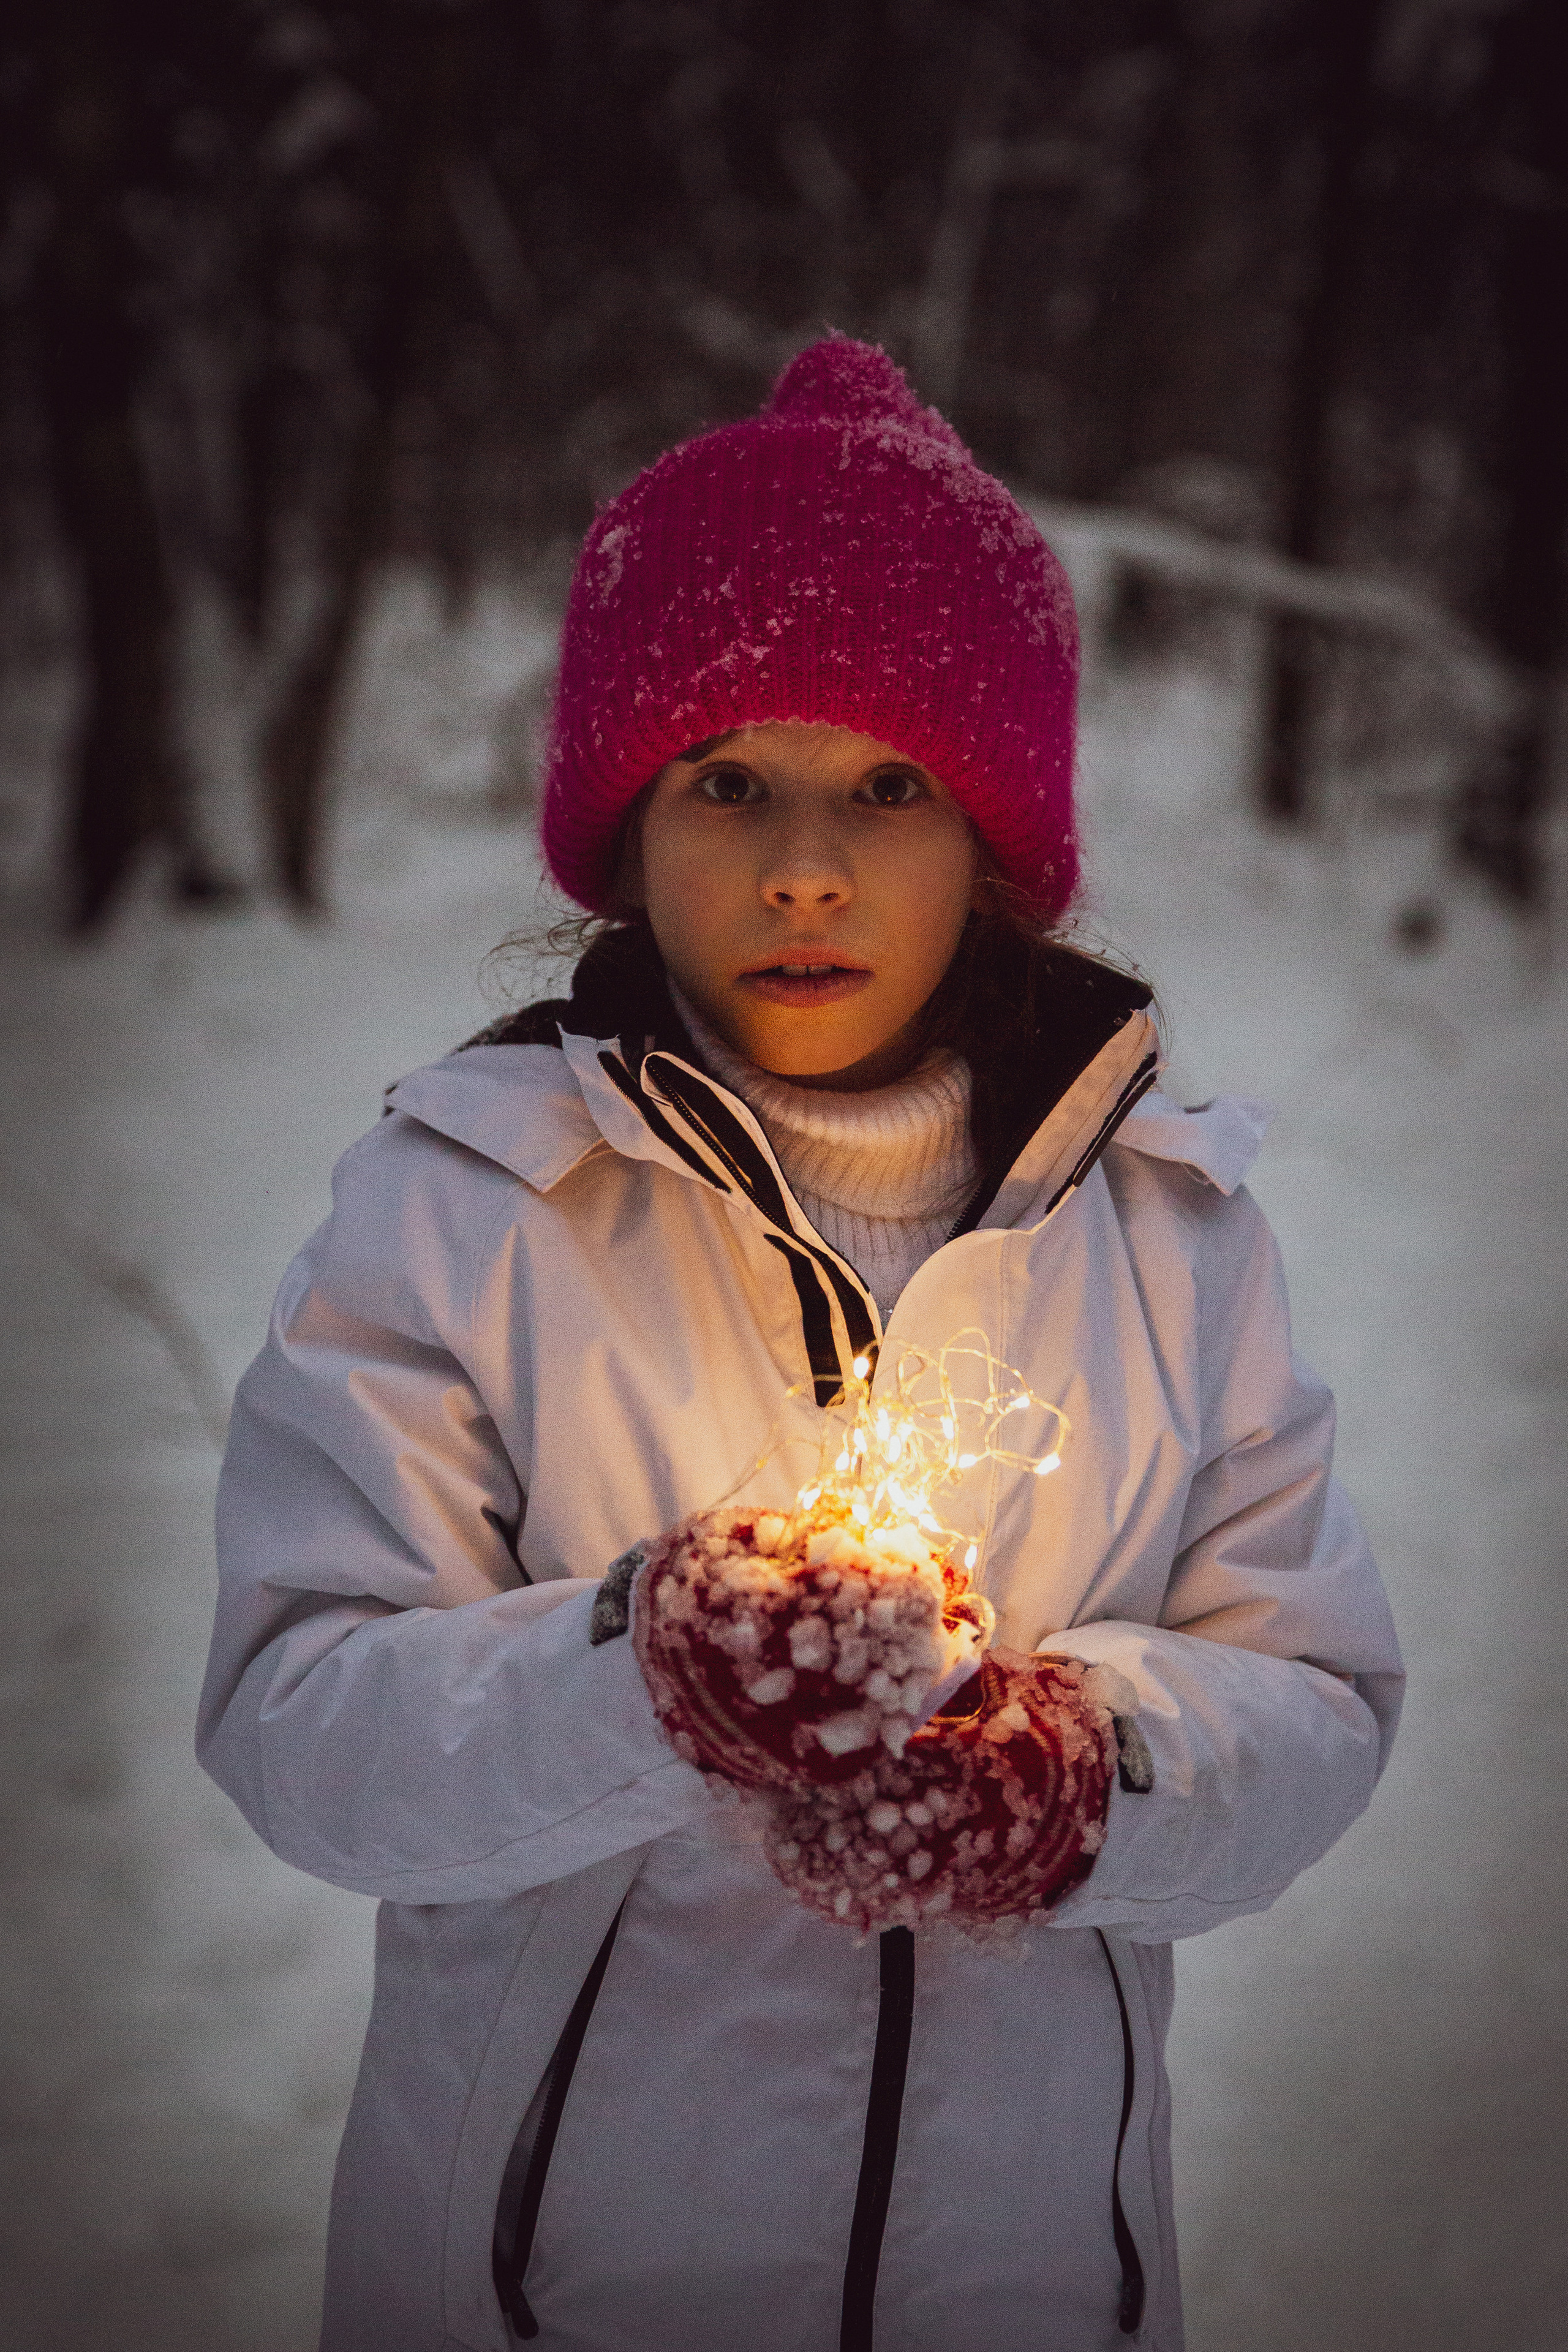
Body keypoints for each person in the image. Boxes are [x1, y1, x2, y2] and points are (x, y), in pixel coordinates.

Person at [197, 337, 1404, 2352]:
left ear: (997, 836)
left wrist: (1081, 1779)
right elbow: (304, 1727)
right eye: (727, 779)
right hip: (537, 2288)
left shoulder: (1175, 1236)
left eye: (891, 784)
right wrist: (636, 1666)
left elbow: (1318, 1701)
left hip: (1026, 2285)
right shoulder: (476, 1207)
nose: (804, 864)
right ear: (625, 820)